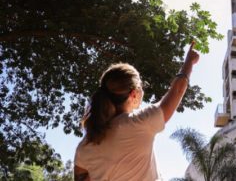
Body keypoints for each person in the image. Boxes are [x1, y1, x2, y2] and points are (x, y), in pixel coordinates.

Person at [74, 42, 199, 181]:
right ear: (134, 94)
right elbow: (177, 91)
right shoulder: (140, 122)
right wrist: (189, 61)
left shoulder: (84, 146)